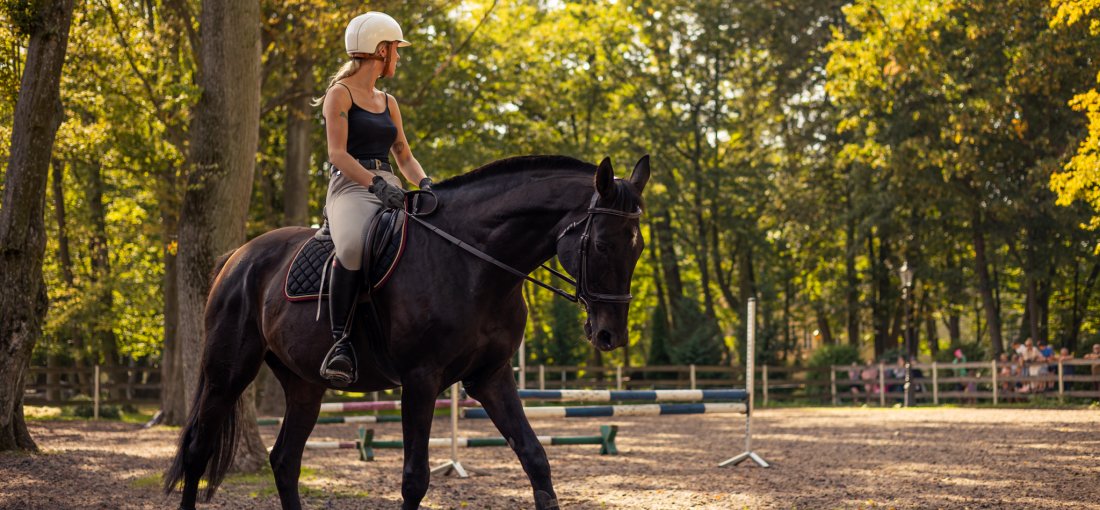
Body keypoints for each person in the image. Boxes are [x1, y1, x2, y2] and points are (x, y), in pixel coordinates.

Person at [315, 12, 431, 386]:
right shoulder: (340, 93)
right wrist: (375, 185)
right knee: (350, 247)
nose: (398, 57)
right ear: (381, 51)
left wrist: (426, 184)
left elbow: (404, 156)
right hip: (350, 186)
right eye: (396, 50)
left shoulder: (388, 100)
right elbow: (338, 154)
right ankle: (340, 344)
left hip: (391, 186)